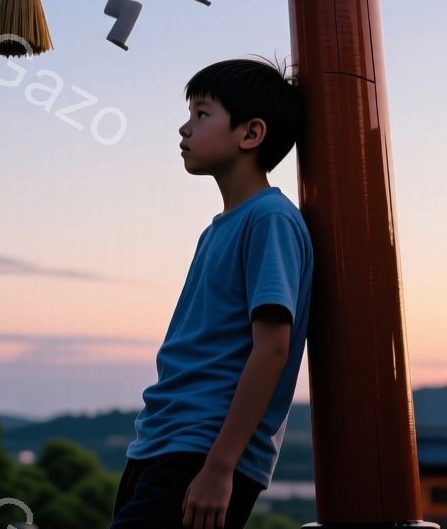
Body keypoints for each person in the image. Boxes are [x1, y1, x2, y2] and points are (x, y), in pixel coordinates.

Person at [110, 57, 314, 529]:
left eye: (201, 115)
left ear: (251, 134)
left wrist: (220, 467)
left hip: (202, 452)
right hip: (161, 443)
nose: (184, 128)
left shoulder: (271, 220)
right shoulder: (220, 227)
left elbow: (272, 349)